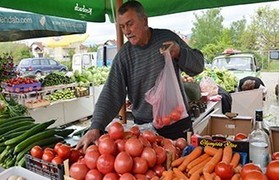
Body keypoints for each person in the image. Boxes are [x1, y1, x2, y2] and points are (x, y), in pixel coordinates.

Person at [76, 0, 204, 151]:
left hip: (177, 123)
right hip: (145, 130)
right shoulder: (124, 55)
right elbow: (111, 93)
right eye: (122, 26)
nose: (126, 31)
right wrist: (95, 127)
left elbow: (198, 66)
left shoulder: (167, 39)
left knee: (182, 168)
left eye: (130, 24)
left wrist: (180, 53)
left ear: (144, 20)